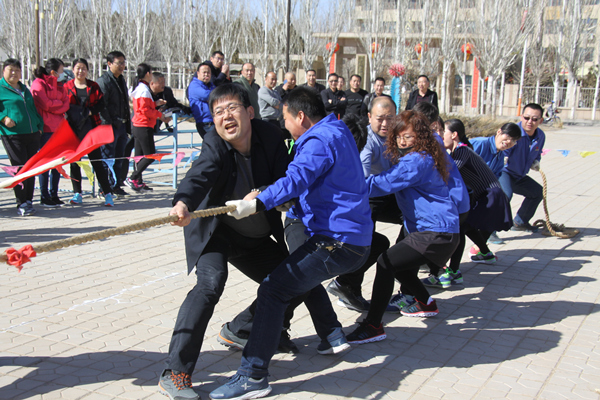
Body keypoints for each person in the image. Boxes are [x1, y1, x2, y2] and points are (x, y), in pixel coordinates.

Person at [208, 87, 372, 400]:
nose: (284, 126)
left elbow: (297, 177)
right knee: (289, 284)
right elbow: (314, 183)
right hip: (351, 239)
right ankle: (329, 335)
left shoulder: (317, 140)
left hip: (337, 241)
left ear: (300, 116)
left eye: (285, 119)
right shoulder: (337, 130)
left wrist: (257, 203)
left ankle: (253, 375)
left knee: (273, 290)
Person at [157, 84, 290, 400]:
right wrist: (182, 202)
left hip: (254, 234)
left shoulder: (272, 137)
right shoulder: (214, 143)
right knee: (210, 284)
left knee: (293, 281)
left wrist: (268, 194)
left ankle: (241, 328)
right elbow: (199, 175)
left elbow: (288, 178)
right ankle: (175, 372)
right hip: (215, 231)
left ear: (250, 112)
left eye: (232, 108)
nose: (225, 116)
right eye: (218, 112)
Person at [346, 111, 460, 344]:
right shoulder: (424, 155)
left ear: (420, 136)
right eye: (398, 137)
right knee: (401, 268)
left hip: (436, 232)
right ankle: (425, 303)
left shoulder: (416, 161)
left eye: (408, 136)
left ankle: (373, 325)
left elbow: (383, 183)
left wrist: (344, 184)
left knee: (385, 263)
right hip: (441, 231)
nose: (402, 141)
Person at [326, 96, 402, 312]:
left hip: (386, 193)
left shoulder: (396, 135)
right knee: (367, 242)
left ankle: (403, 267)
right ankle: (347, 284)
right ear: (369, 117)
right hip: (366, 196)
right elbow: (363, 181)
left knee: (413, 216)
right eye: (380, 118)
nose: (385, 123)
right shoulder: (367, 140)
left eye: (390, 118)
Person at [440, 119, 513, 283]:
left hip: (490, 195)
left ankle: (454, 272)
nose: (441, 136)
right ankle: (486, 253)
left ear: (454, 134)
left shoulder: (461, 151)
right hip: (488, 195)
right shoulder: (462, 150)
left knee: (460, 229)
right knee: (468, 226)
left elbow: (447, 173)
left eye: (443, 132)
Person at [64, 58, 116, 207]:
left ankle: (107, 193)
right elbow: (63, 104)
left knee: (97, 162)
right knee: (75, 162)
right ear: (73, 70)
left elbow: (101, 104)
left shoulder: (93, 86)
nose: (81, 71)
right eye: (78, 68)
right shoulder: (67, 86)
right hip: (73, 129)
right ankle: (77, 193)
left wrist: (89, 112)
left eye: (84, 68)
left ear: (87, 70)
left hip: (91, 129)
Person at [0, 58, 44, 216]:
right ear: (3, 71)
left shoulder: (24, 89)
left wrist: (39, 126)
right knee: (19, 168)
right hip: (13, 135)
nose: (14, 73)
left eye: (17, 70)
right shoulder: (1, 88)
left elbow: (32, 109)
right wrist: (3, 118)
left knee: (30, 168)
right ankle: (21, 202)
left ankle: (29, 200)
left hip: (32, 133)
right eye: (10, 70)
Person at [499, 103, 546, 233]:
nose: (530, 122)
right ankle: (489, 231)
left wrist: (536, 161)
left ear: (541, 120)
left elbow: (537, 153)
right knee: (505, 195)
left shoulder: (540, 136)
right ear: (521, 117)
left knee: (537, 192)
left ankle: (520, 222)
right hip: (503, 172)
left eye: (535, 119)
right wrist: (502, 157)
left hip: (519, 175)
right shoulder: (513, 132)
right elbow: (501, 150)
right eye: (527, 118)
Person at [124, 64, 170, 192]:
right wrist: (160, 115)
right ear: (148, 74)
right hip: (143, 125)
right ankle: (133, 178)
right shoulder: (143, 89)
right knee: (151, 155)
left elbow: (143, 107)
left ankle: (138, 181)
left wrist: (155, 104)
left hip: (139, 125)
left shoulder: (140, 88)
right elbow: (144, 110)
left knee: (139, 156)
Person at [31, 58, 70, 207]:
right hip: (45, 129)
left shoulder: (60, 85)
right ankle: (44, 195)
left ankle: (54, 194)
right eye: (61, 70)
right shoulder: (39, 84)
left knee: (57, 164)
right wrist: (58, 105)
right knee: (45, 164)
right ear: (53, 72)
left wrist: (55, 106)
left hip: (59, 129)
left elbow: (66, 104)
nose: (63, 73)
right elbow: (45, 104)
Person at [97, 51, 130, 196]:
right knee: (107, 158)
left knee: (119, 158)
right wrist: (108, 124)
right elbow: (101, 106)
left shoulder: (121, 80)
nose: (122, 66)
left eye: (123, 63)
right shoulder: (104, 81)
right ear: (109, 64)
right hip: (109, 126)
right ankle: (105, 188)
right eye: (119, 63)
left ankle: (116, 185)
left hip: (121, 125)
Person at [187, 62, 216, 139]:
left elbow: (218, 96)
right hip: (205, 122)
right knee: (214, 142)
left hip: (215, 120)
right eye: (204, 72)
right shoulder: (194, 85)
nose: (206, 74)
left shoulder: (211, 85)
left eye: (208, 72)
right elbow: (208, 96)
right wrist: (213, 98)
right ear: (198, 73)